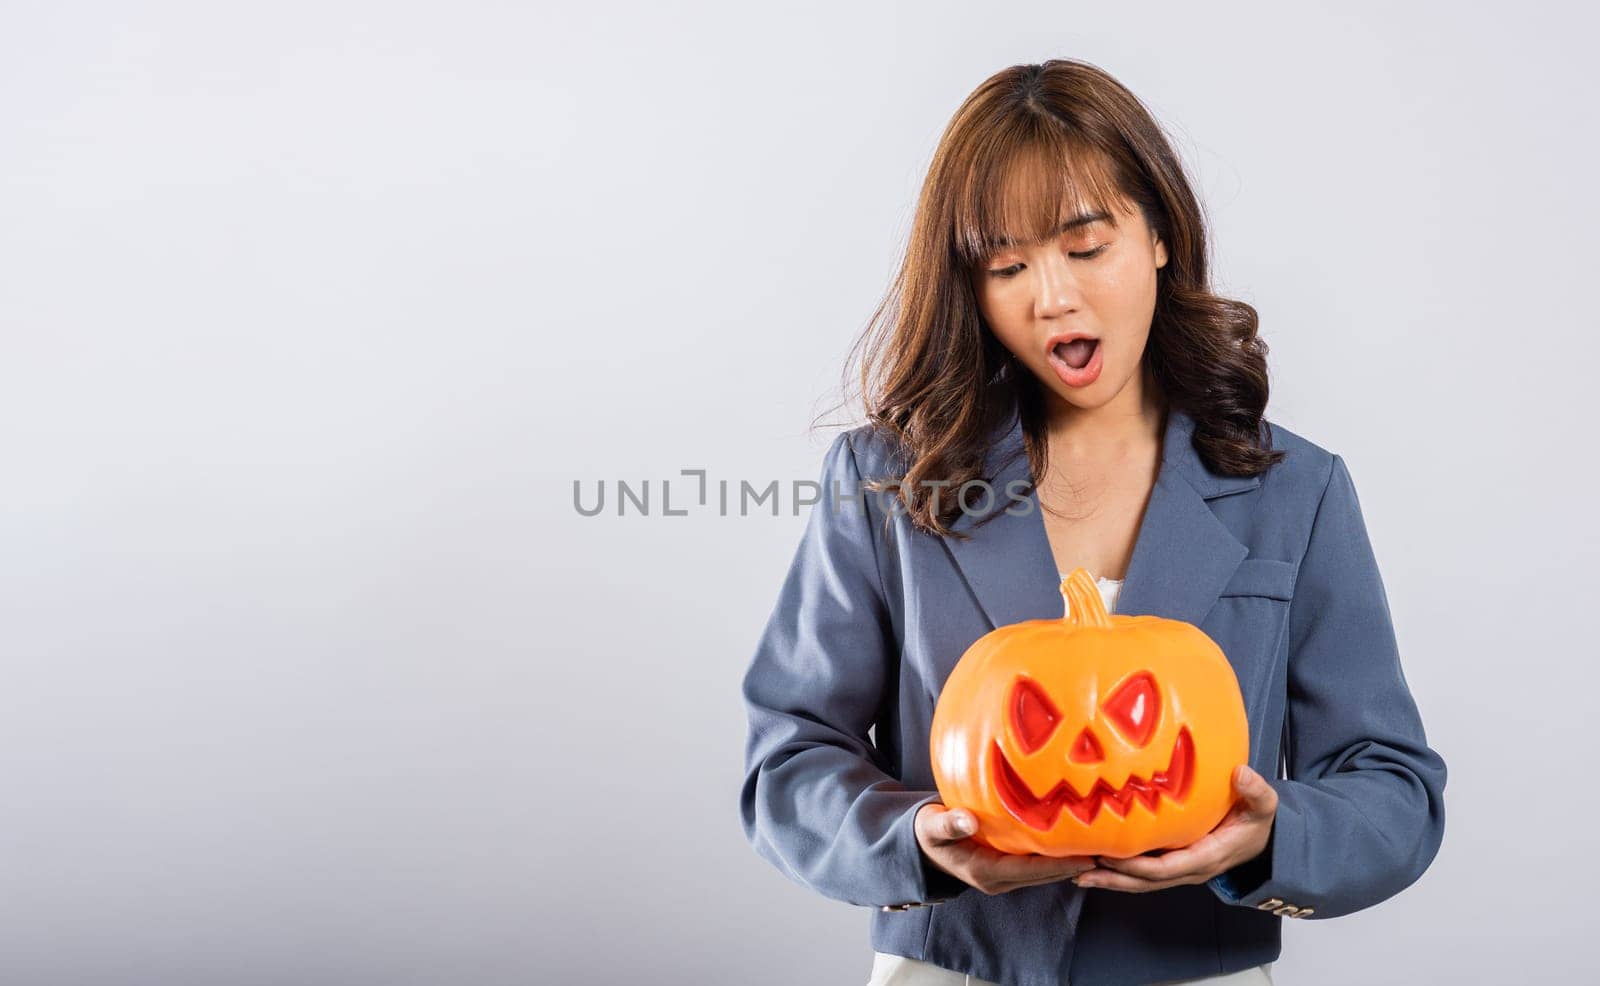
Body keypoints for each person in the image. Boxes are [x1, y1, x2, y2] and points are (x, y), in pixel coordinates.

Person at [737, 58, 1446, 986]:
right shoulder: (884, 482)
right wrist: (916, 840)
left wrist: (1268, 841)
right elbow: (786, 758)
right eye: (1007, 265)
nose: (1052, 297)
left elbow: (1392, 784)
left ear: (1157, 235)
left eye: (1086, 246)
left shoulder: (1295, 490)